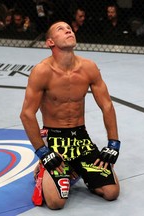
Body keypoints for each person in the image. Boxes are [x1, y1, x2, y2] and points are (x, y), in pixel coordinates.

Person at [20, 21, 121, 210]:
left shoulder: (88, 67)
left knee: (111, 193)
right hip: (55, 141)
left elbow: (106, 105)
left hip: (81, 138)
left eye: (69, 28)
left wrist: (113, 144)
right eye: (61, 29)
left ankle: (77, 167)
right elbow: (26, 114)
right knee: (56, 203)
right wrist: (43, 152)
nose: (68, 30)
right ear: (50, 42)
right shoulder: (42, 71)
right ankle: (43, 169)